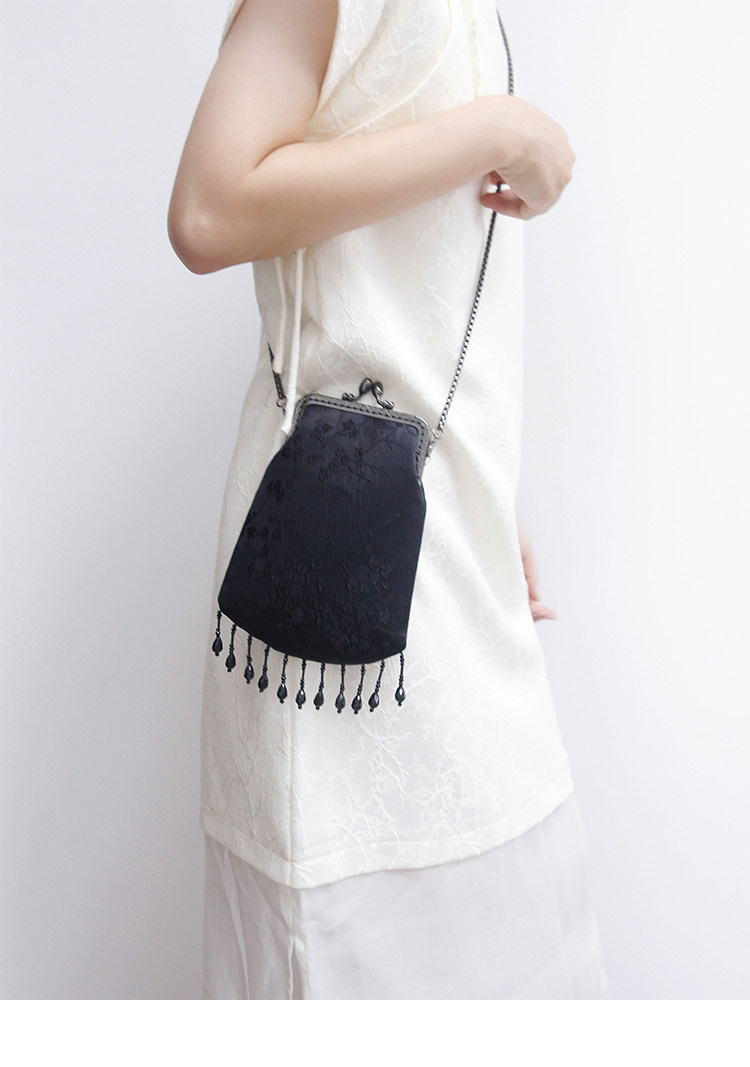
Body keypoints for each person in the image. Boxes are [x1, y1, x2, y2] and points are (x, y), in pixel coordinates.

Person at [168, 0, 610, 999]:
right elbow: (208, 209)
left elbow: (411, 293)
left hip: (441, 547)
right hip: (335, 594)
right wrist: (495, 129)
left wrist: (474, 486)